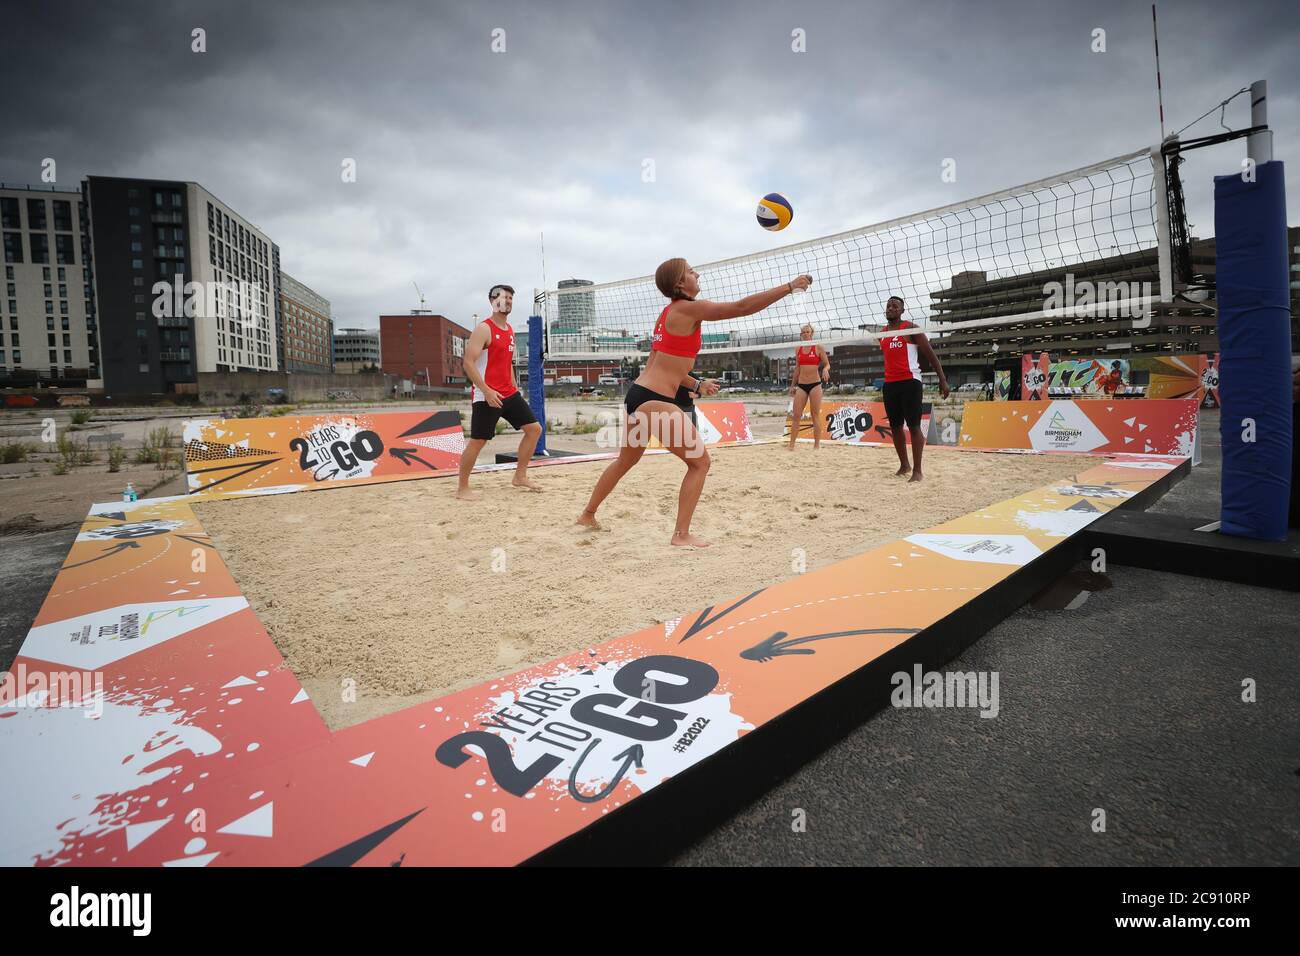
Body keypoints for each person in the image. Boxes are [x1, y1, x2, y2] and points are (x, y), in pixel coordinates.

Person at [577, 258, 812, 546]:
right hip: (656, 400)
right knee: (699, 463)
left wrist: (697, 384)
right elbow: (741, 308)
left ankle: (587, 514)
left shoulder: (666, 314)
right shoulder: (688, 309)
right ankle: (681, 535)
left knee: (626, 461)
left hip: (639, 395)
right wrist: (790, 287)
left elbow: (663, 365)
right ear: (679, 283)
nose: (697, 273)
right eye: (690, 271)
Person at [456, 284, 543, 499]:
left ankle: (520, 476)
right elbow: (468, 363)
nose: (508, 302)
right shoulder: (483, 329)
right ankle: (462, 488)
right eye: (504, 298)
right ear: (493, 301)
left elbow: (507, 363)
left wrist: (514, 388)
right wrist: (485, 391)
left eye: (511, 298)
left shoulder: (510, 330)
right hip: (487, 394)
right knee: (478, 441)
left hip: (508, 393)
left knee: (534, 429)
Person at [875, 295, 949, 482]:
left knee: (914, 426)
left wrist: (942, 379)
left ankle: (917, 471)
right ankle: (904, 465)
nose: (890, 308)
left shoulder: (910, 329)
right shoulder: (882, 333)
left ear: (901, 311)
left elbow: (930, 355)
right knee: (896, 427)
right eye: (888, 305)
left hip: (910, 382)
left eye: (895, 306)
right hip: (890, 384)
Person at [787, 323, 830, 450]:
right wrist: (792, 386)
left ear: (811, 334)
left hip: (815, 385)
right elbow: (797, 369)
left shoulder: (818, 347)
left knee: (814, 414)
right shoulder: (798, 349)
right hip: (801, 385)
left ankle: (816, 446)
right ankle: (791, 446)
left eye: (807, 332)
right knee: (796, 415)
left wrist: (825, 370)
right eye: (803, 332)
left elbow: (827, 364)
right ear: (801, 335)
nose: (805, 334)